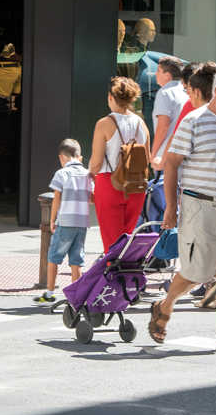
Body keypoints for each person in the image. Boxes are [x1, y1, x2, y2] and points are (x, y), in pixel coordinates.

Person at [148, 70, 216, 351]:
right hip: (201, 205)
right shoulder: (193, 121)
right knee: (197, 271)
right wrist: (171, 207)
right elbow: (171, 164)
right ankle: (165, 305)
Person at [87, 77, 149, 251]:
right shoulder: (141, 124)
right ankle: (126, 276)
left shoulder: (104, 124)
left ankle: (113, 277)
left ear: (110, 97)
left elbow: (96, 164)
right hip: (136, 186)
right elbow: (148, 158)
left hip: (109, 183)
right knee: (126, 241)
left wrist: (89, 173)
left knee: (111, 244)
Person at [37, 138, 93, 304]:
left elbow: (57, 198)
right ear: (80, 157)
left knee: (54, 256)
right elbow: (91, 198)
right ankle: (76, 295)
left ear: (62, 157)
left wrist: (52, 220)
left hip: (65, 221)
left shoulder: (61, 173)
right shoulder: (87, 174)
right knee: (77, 260)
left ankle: (49, 293)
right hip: (82, 223)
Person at [149, 57, 187, 171]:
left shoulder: (165, 93)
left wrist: (153, 154)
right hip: (182, 156)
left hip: (164, 158)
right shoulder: (186, 93)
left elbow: (163, 126)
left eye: (159, 71)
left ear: (168, 75)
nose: (155, 74)